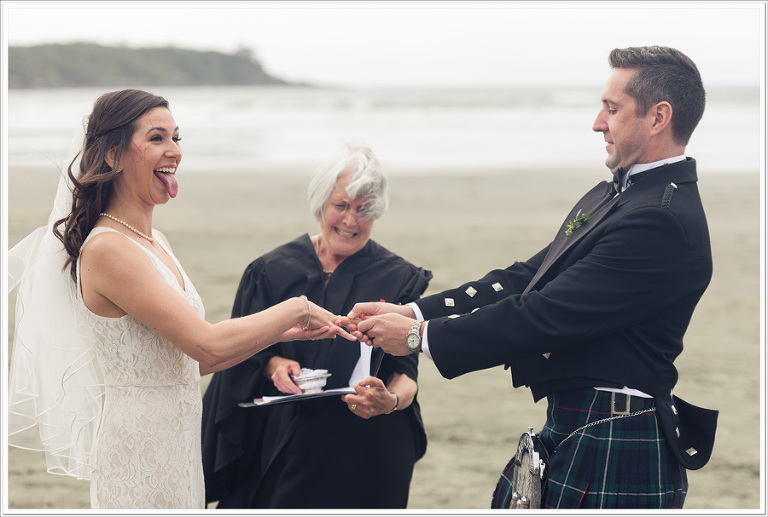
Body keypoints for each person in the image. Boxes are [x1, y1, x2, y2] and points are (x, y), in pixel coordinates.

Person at [343, 46, 718, 509]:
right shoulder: (618, 195)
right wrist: (415, 310)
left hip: (616, 432)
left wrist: (420, 336)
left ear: (658, 116)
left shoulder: (659, 220)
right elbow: (527, 277)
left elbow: (545, 314)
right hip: (582, 422)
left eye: (612, 108)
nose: (598, 122)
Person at [7, 89, 353, 510]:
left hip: (180, 439)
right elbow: (207, 343)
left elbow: (195, 361)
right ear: (113, 155)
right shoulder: (108, 249)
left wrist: (284, 331)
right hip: (137, 447)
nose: (174, 151)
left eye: (177, 138)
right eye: (157, 138)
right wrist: (296, 307)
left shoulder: (156, 242)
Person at [200, 143, 432, 509]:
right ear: (321, 203)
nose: (351, 221)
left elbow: (406, 377)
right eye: (341, 206)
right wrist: (274, 364)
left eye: (365, 209)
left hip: (363, 444)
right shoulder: (270, 271)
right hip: (280, 434)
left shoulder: (398, 278)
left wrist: (389, 402)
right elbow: (241, 347)